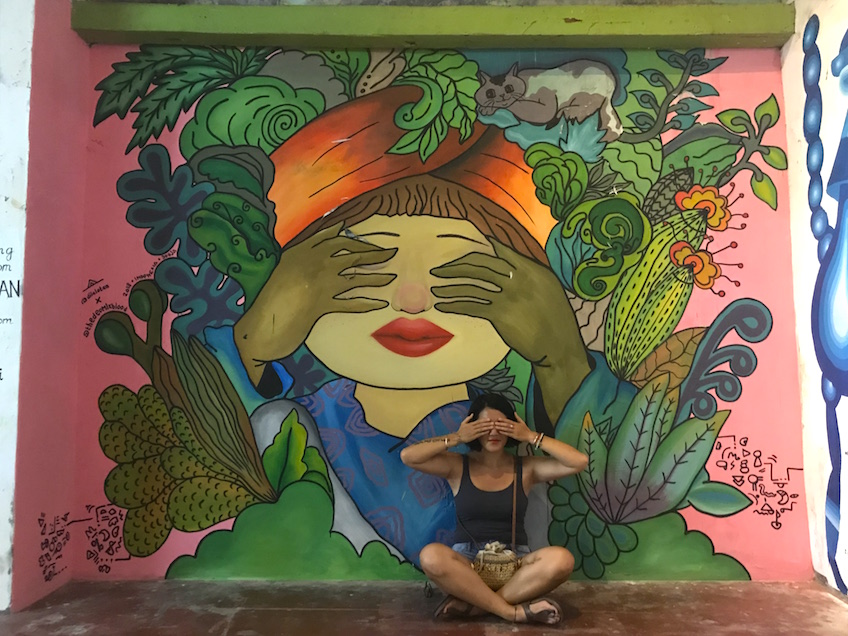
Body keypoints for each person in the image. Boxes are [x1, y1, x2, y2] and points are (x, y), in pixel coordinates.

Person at [400, 393, 588, 624]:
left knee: (562, 560)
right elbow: (409, 456)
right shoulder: (458, 466)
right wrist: (457, 437)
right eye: (485, 426)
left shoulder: (526, 468)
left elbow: (579, 461)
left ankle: (476, 606)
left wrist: (530, 436)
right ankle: (512, 612)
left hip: (515, 562)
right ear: (473, 428)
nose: (494, 433)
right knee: (431, 556)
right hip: (467, 564)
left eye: (501, 425)